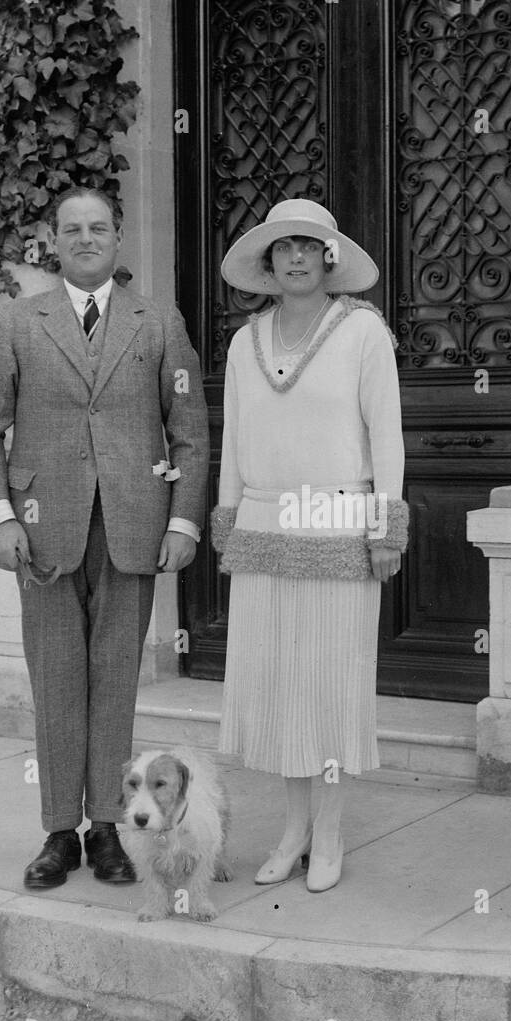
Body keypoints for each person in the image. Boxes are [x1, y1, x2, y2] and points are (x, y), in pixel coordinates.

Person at [0, 187, 209, 889]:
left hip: (132, 526)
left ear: (118, 237)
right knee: (57, 680)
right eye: (73, 230)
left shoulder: (158, 321)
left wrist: (183, 520)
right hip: (42, 532)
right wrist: (2, 517)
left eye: (98, 228)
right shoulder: (16, 322)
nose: (87, 239)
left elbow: (189, 430)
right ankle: (57, 834)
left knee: (115, 682)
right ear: (54, 241)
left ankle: (106, 826)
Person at [211, 199, 407, 892]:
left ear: (328, 258)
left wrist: (387, 524)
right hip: (264, 527)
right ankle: (292, 829)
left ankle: (328, 831)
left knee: (329, 688)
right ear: (267, 263)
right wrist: (227, 519)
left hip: (336, 522)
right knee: (278, 690)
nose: (295, 258)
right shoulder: (244, 343)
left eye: (308, 247)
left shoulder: (362, 333)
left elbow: (385, 434)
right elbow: (233, 440)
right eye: (283, 248)